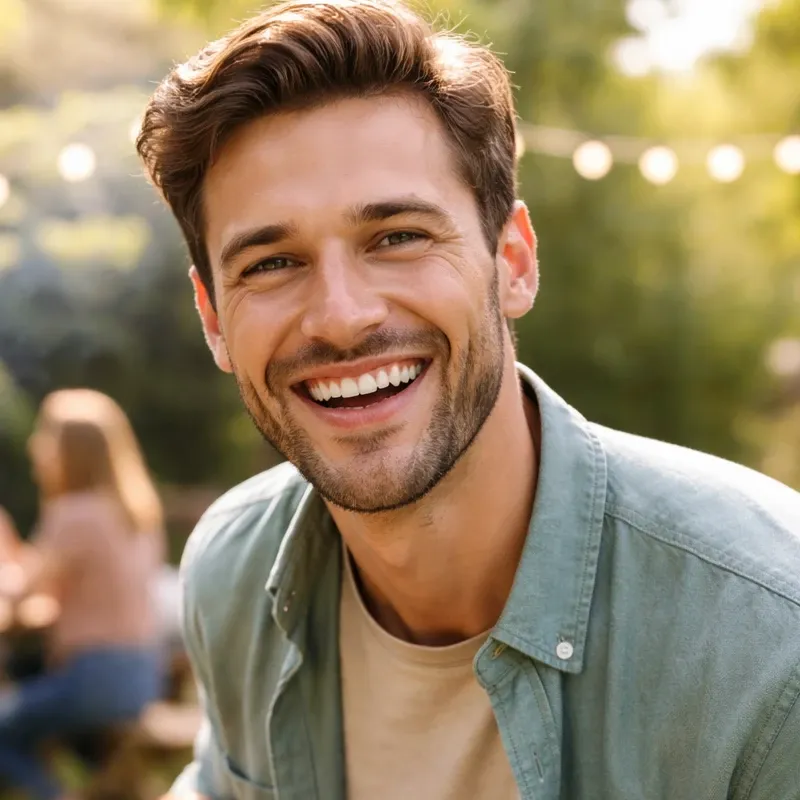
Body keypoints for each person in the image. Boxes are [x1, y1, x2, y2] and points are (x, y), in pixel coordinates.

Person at [136, 1, 800, 797]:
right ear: (213, 318)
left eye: (398, 237)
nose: (343, 316)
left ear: (512, 261)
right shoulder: (233, 571)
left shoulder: (767, 642)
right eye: (271, 263)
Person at [0, 389, 165, 800]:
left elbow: (22, 594)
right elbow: (70, 601)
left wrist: (7, 559)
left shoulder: (75, 513)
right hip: (144, 675)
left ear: (68, 450)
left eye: (45, 438)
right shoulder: (135, 513)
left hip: (92, 679)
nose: (35, 449)